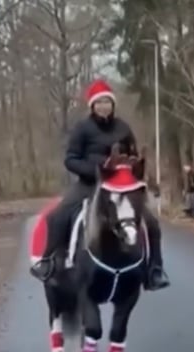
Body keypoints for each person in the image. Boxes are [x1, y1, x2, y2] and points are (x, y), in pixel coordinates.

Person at [30, 79, 170, 291]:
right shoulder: (82, 129)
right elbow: (71, 159)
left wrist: (135, 171)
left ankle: (154, 270)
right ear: (92, 106)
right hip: (89, 184)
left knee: (151, 222)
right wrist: (94, 171)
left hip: (121, 188)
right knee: (57, 215)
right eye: (99, 103)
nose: (104, 106)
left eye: (107, 102)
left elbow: (133, 156)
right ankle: (48, 262)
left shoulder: (123, 128)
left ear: (113, 104)